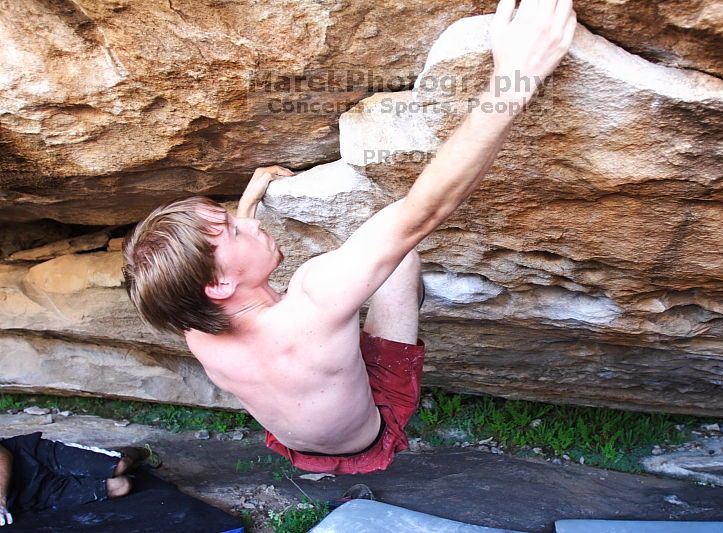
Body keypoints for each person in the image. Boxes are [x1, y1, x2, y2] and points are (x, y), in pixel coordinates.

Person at [122, 0, 576, 474]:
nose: (251, 224)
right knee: (399, 259)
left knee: (338, 316)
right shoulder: (316, 297)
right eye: (236, 230)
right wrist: (515, 78)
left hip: (303, 443)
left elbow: (214, 280)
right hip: (375, 424)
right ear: (218, 284)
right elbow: (425, 211)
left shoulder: (193, 324)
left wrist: (247, 206)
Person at [0, 432, 154, 525]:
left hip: (33, 456)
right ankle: (109, 466)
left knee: (120, 466)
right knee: (121, 486)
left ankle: (134, 453)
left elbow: (3, 456)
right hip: (34, 494)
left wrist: (1, 499)